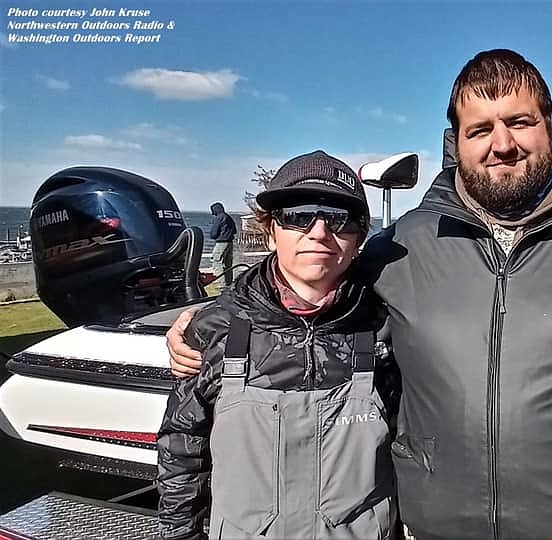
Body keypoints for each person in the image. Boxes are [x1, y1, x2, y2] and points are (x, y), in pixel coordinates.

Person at [168, 49, 552, 540]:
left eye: (519, 121)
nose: (503, 144)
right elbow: (311, 290)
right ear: (456, 142)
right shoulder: (406, 245)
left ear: (550, 127)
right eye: (480, 129)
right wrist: (209, 317)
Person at [157, 150, 400, 540]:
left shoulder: (387, 328)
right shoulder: (214, 328)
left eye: (340, 219)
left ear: (359, 239)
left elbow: (413, 441)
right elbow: (182, 448)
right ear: (270, 231)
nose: (319, 232)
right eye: (299, 215)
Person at [208, 201, 237, 286]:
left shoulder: (219, 218)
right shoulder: (229, 217)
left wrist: (214, 236)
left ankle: (222, 284)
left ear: (215, 210)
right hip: (230, 243)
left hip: (221, 243)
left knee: (217, 262)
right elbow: (234, 231)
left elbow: (214, 233)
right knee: (228, 264)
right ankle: (229, 283)